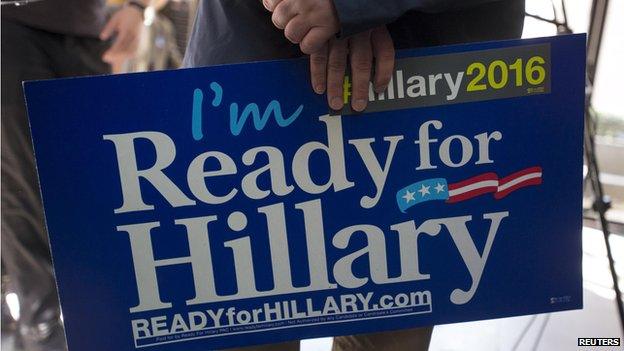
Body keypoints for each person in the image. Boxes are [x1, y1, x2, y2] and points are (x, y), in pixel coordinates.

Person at [184, 1, 525, 350]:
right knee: (246, 312)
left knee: (389, 321)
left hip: (423, 75)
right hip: (255, 59)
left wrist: (352, 8)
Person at [1, 1, 152, 349]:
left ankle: (102, 325)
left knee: (101, 190)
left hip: (89, 27)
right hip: (7, 28)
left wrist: (137, 7)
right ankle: (43, 330)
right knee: (26, 190)